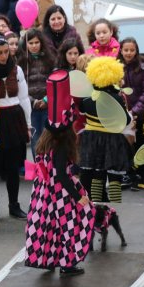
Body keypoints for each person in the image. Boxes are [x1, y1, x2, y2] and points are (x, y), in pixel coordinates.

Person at [24, 107, 94, 277]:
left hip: (43, 190)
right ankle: (67, 263)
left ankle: (47, 259)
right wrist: (77, 197)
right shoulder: (62, 147)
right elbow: (62, 175)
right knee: (68, 225)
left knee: (47, 224)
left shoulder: (44, 143)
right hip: (59, 193)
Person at [0, 32, 31, 223]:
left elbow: (24, 98)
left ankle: (14, 206)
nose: (4, 56)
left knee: (13, 168)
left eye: (6, 52)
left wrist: (28, 125)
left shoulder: (17, 70)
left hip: (15, 120)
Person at [77, 57, 132, 203]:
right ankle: (116, 206)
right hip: (113, 139)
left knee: (97, 175)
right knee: (114, 177)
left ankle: (96, 205)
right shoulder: (117, 98)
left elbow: (81, 112)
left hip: (91, 139)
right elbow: (126, 120)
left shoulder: (87, 99)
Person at [16, 28, 55, 154]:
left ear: (41, 43)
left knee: (48, 137)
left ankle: (48, 168)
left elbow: (53, 82)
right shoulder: (21, 61)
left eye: (36, 42)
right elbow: (20, 86)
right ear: (25, 44)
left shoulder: (50, 60)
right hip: (31, 106)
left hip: (47, 105)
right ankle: (38, 169)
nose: (34, 46)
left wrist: (46, 99)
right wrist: (33, 101)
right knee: (35, 138)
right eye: (30, 43)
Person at [119, 37, 144, 149]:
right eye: (126, 50)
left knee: (141, 144)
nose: (129, 53)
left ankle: (140, 166)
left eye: (132, 50)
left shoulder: (142, 68)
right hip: (122, 114)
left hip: (139, 114)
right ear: (121, 51)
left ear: (136, 51)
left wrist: (134, 111)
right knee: (124, 145)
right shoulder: (116, 66)